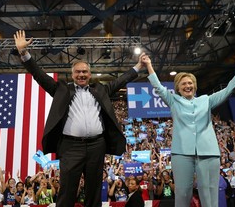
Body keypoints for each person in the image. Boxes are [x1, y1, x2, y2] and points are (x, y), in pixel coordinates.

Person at [13, 30, 145, 207]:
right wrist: (24, 53)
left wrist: (138, 66)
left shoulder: (100, 90)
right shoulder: (62, 90)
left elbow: (120, 81)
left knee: (94, 191)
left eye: (85, 72)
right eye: (78, 72)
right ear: (72, 74)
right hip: (70, 147)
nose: (81, 75)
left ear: (90, 74)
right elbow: (39, 75)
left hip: (97, 146)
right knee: (67, 191)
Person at [141, 52, 235, 207]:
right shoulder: (173, 101)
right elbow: (158, 87)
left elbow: (227, 91)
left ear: (194, 86)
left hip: (208, 151)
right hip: (181, 152)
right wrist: (148, 65)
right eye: (184, 84)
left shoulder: (206, 100)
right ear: (178, 88)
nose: (188, 86)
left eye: (190, 83)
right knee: (182, 192)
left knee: (209, 191)